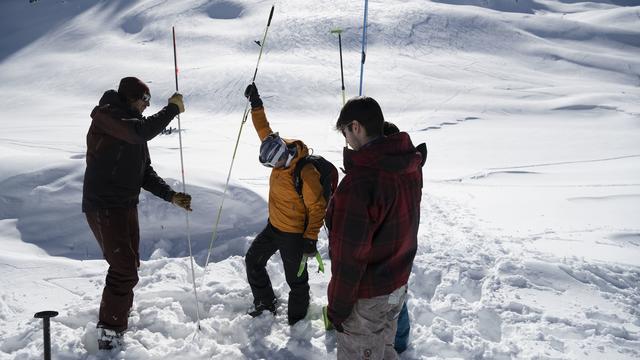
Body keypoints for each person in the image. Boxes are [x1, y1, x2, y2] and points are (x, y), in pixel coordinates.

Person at [82, 76, 191, 350]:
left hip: (125, 204)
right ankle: (109, 331)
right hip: (105, 204)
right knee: (123, 268)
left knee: (129, 265)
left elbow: (145, 172)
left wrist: (171, 196)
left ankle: (117, 314)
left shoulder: (131, 125)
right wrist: (171, 109)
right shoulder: (108, 117)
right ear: (132, 97)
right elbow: (139, 132)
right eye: (145, 100)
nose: (146, 106)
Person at [326, 97, 426, 359]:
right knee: (385, 350)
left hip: (368, 297)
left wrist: (337, 309)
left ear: (356, 126)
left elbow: (349, 258)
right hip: (396, 286)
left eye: (346, 132)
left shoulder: (359, 183)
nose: (347, 140)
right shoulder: (409, 166)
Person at [242, 82, 328, 326]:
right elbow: (262, 126)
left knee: (297, 282)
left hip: (293, 235)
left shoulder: (305, 171)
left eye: (280, 159)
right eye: (273, 164)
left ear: (284, 147)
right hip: (274, 227)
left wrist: (310, 239)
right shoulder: (273, 148)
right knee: (253, 261)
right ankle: (265, 303)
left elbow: (317, 207)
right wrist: (255, 102)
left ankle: (297, 323)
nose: (278, 164)